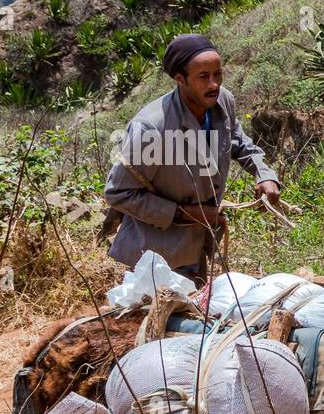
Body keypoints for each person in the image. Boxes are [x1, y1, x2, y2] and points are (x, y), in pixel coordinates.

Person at [102, 33, 281, 285]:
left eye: (217, 74)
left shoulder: (222, 102)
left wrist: (264, 174)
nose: (214, 84)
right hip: (154, 259)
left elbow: (239, 142)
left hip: (198, 247)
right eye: (203, 77)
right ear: (180, 80)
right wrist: (188, 214)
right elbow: (118, 193)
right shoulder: (152, 127)